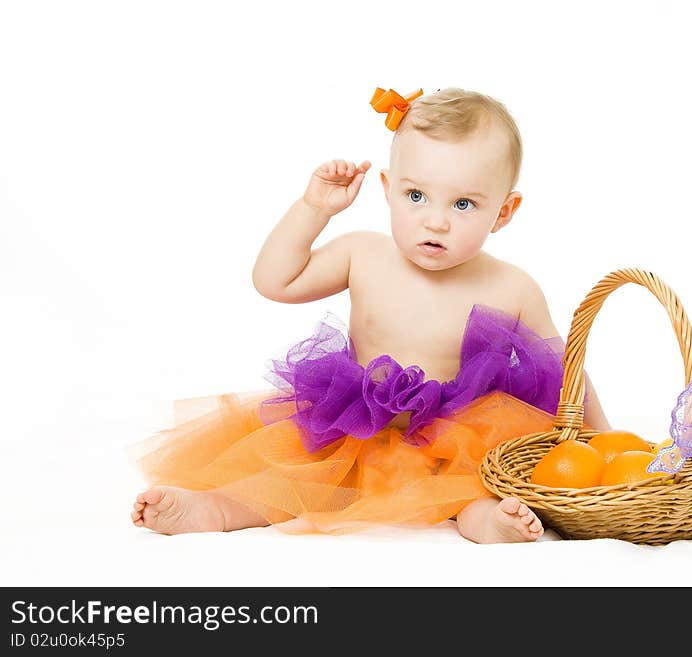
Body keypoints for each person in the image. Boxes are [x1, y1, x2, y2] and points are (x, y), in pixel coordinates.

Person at [129, 87, 611, 543]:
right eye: (416, 196)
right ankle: (215, 508)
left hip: (454, 444)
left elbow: (567, 371)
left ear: (504, 212)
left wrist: (606, 442)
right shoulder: (363, 253)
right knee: (292, 476)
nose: (435, 220)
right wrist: (314, 209)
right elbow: (275, 282)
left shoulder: (513, 286)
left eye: (464, 204)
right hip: (354, 429)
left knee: (477, 484)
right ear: (387, 188)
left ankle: (488, 520)